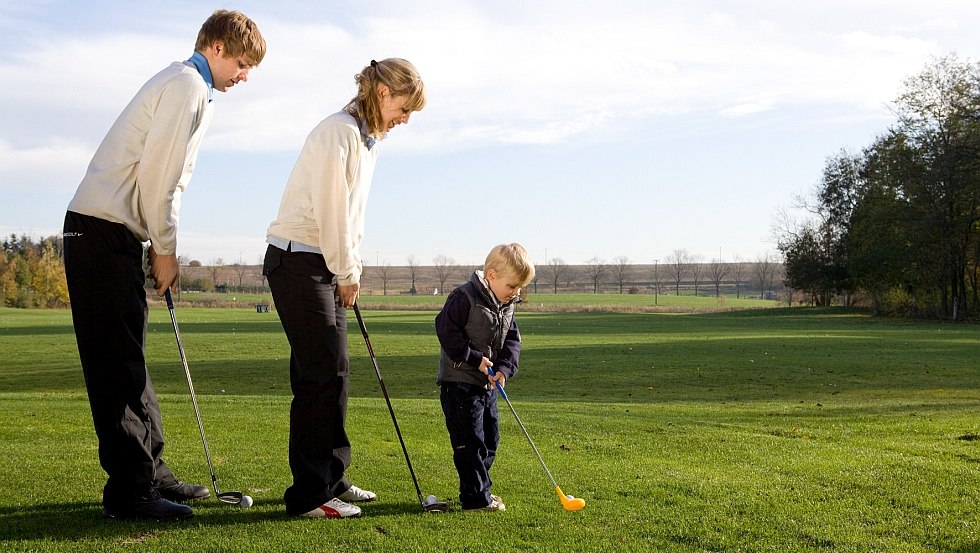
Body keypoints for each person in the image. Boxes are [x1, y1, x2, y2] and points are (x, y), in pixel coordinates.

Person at [62, 10, 266, 521]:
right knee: (117, 368)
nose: (245, 76)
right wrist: (166, 250)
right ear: (216, 48)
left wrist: (154, 243)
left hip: (113, 235)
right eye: (242, 64)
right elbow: (161, 178)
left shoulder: (191, 86)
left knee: (131, 361)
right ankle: (130, 494)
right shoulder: (186, 86)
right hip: (101, 233)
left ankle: (152, 474)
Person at [263, 58, 427, 519]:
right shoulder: (339, 132)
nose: (406, 119)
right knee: (320, 373)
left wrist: (349, 266)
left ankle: (331, 477)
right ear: (382, 93)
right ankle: (311, 496)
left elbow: (352, 221)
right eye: (404, 107)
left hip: (322, 263)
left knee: (333, 371)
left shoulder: (365, 139)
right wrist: (348, 273)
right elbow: (332, 212)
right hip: (298, 260)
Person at [435, 243, 536, 512]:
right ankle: (477, 498)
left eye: (519, 288)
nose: (516, 293)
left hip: (487, 385)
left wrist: (504, 368)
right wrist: (473, 358)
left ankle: (477, 489)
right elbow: (446, 332)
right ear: (491, 275)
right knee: (471, 442)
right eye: (512, 286)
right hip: (459, 382)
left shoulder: (507, 304)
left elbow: (512, 340)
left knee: (490, 439)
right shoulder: (464, 297)